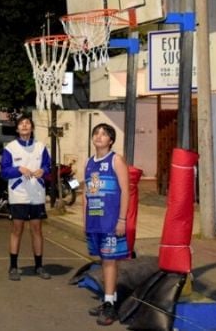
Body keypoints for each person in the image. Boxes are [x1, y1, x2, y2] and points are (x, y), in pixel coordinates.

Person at [83, 123, 129, 326]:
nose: (99, 136)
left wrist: (122, 219)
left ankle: (110, 305)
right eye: (96, 133)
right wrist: (85, 221)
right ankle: (109, 298)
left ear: (111, 140)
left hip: (111, 220)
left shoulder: (115, 160)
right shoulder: (89, 163)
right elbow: (86, 193)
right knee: (103, 259)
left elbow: (126, 191)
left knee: (110, 260)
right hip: (95, 220)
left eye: (104, 134)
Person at [0, 115, 51, 281]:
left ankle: (39, 266)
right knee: (17, 230)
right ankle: (13, 266)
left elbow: (48, 167)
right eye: (21, 124)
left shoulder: (41, 147)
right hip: (19, 195)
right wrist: (19, 169)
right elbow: (4, 171)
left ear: (32, 128)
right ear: (17, 129)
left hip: (37, 194)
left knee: (37, 230)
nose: (24, 125)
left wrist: (43, 171)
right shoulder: (10, 148)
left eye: (27, 123)